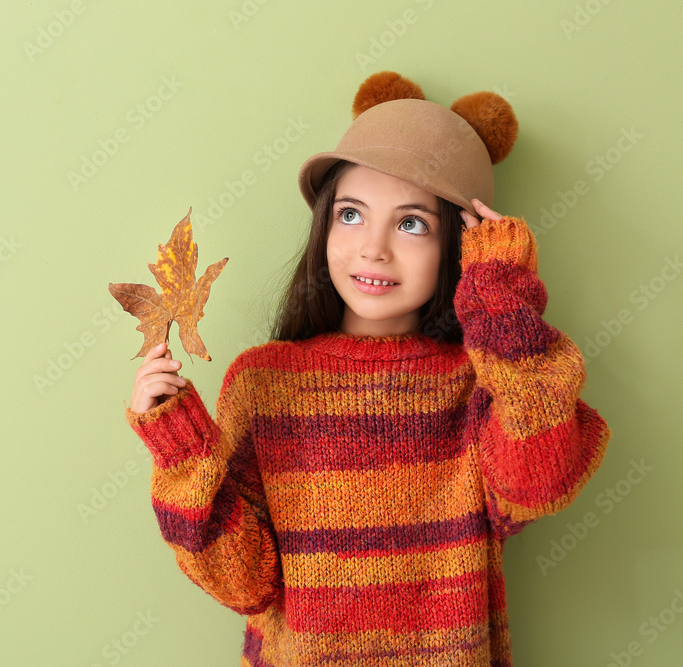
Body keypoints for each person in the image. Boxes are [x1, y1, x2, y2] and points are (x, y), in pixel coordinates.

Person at [121, 71, 611, 666]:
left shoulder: (481, 386)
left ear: (462, 245)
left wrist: (503, 305)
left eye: (412, 224)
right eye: (351, 214)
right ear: (325, 224)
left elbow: (540, 481)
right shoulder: (264, 383)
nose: (373, 247)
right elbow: (244, 584)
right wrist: (180, 451)